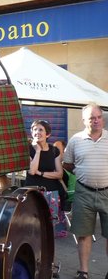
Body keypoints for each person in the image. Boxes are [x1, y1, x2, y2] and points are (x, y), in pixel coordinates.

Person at [63, 103, 108, 279]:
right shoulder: (75, 140)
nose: (96, 121)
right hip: (84, 192)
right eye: (92, 118)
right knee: (83, 233)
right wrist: (81, 172)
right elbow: (67, 163)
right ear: (84, 120)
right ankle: (83, 271)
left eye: (99, 117)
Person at [25, 120, 66, 237]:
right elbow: (32, 171)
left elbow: (59, 174)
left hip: (51, 193)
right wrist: (37, 151)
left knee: (50, 229)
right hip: (33, 192)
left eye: (40, 129)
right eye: (34, 129)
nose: (37, 132)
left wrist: (40, 173)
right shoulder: (27, 149)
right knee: (33, 226)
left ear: (47, 134)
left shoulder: (54, 150)